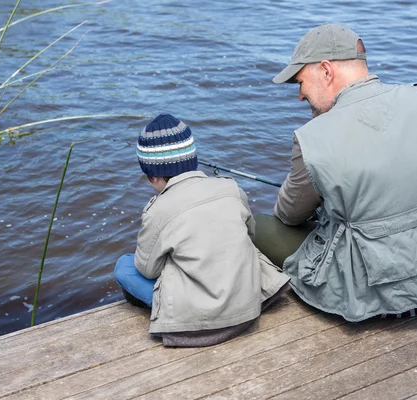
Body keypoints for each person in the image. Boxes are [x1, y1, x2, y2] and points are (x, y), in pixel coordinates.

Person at [253, 23, 417, 322]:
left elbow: (289, 215)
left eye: (301, 82)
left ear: (326, 71)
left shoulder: (313, 137)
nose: (300, 96)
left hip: (372, 288)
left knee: (261, 225)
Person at [114, 113, 290, 347]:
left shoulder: (158, 210)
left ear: (153, 176)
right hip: (246, 307)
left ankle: (167, 313)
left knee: (124, 266)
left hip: (199, 322)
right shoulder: (231, 187)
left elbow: (147, 270)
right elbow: (249, 235)